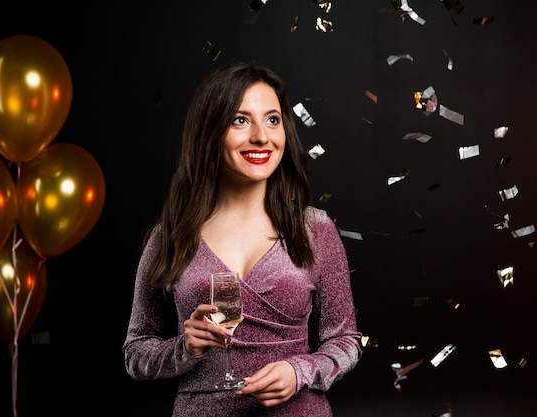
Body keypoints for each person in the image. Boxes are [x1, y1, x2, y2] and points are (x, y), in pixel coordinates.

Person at [123, 61, 362, 417]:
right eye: (240, 120)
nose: (261, 137)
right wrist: (184, 348)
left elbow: (346, 342)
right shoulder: (170, 235)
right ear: (210, 131)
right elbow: (135, 353)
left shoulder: (315, 229)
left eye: (272, 119)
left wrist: (298, 372)